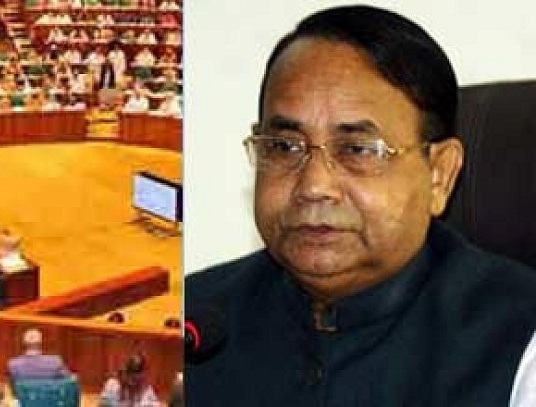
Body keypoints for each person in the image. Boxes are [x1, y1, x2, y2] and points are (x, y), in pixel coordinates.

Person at [185, 5, 536, 406]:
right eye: (284, 146)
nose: (314, 186)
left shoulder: (520, 340)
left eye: (357, 149)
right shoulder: (193, 323)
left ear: (440, 174)